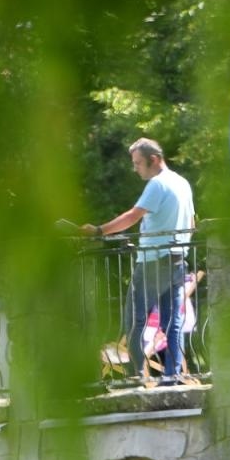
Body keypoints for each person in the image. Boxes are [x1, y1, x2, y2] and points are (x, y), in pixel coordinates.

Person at [83, 138, 197, 386]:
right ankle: (173, 376)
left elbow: (133, 216)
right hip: (178, 261)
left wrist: (99, 231)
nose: (135, 168)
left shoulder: (157, 184)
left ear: (154, 160)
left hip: (152, 263)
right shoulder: (182, 183)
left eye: (138, 163)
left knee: (134, 321)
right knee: (172, 323)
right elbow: (191, 223)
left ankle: (137, 377)